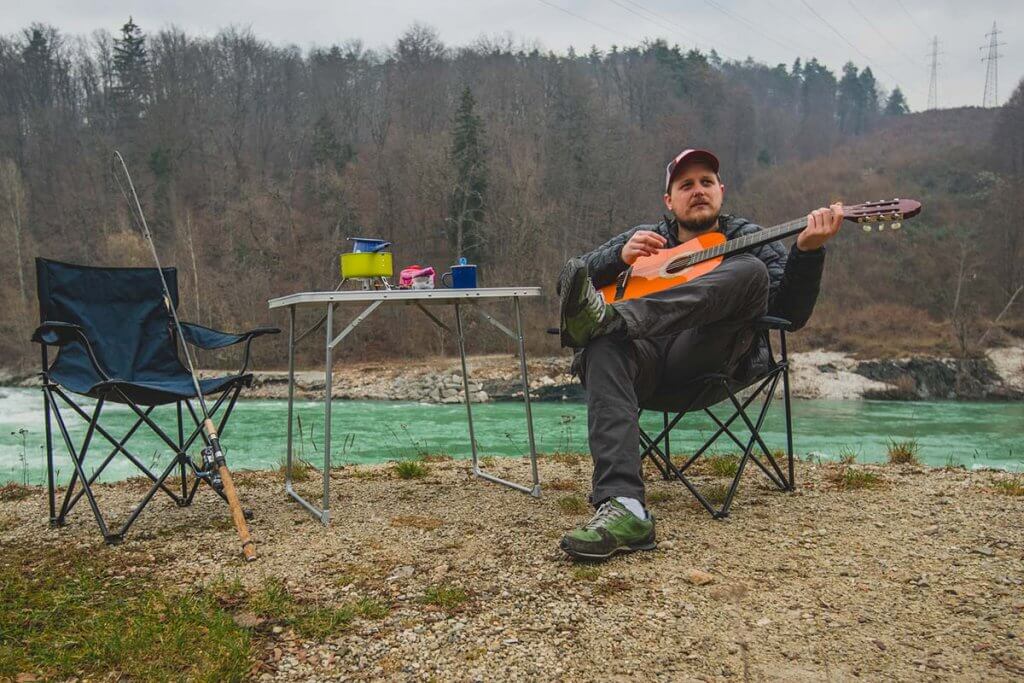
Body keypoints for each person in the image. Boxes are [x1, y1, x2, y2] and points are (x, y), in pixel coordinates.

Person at [557, 147, 843, 560]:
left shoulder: (749, 238)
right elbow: (572, 282)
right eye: (685, 185)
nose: (698, 191)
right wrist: (615, 258)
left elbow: (788, 316)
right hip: (645, 366)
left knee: (750, 271)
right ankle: (624, 506)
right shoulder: (647, 237)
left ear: (721, 191)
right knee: (600, 344)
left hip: (709, 361)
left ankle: (616, 319)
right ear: (668, 200)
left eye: (706, 182)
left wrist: (808, 252)